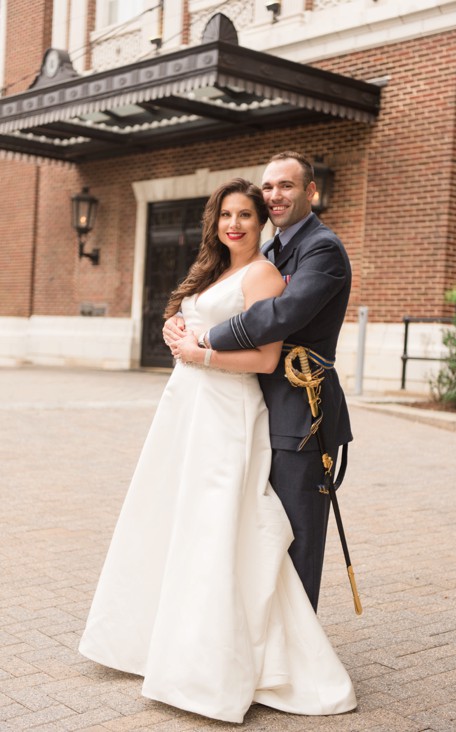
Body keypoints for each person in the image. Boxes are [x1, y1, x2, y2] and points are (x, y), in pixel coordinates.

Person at [79, 178, 357, 723]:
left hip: (228, 413)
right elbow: (197, 320)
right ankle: (162, 639)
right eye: (226, 215)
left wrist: (197, 350)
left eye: (246, 216)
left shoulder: (263, 272)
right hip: (187, 412)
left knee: (219, 527)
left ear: (261, 223)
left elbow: (264, 358)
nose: (235, 224)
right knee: (173, 519)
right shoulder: (217, 269)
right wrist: (175, 324)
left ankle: (226, 659)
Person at [163, 151, 352, 611]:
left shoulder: (322, 248)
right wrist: (175, 322)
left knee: (294, 533)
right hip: (250, 406)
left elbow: (278, 315)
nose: (274, 195)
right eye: (268, 187)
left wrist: (205, 340)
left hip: (299, 408)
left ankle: (298, 654)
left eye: (287, 186)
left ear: (311, 191)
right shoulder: (269, 248)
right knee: (256, 530)